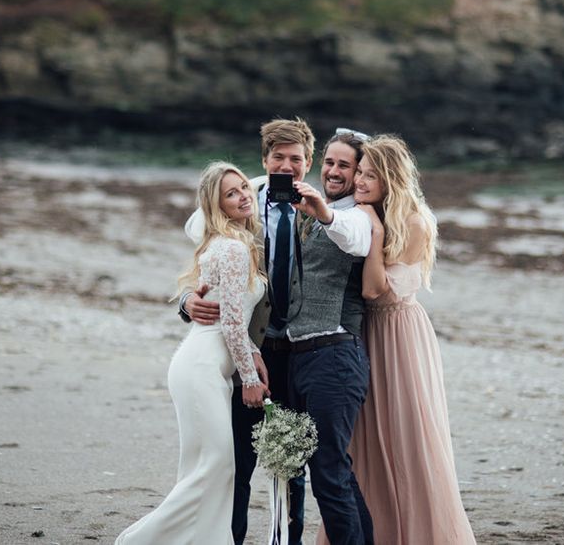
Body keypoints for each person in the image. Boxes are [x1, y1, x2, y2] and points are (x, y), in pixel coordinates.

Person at [115, 162, 269, 545]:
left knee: (208, 468)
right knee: (217, 464)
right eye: (230, 194)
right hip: (201, 366)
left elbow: (227, 311)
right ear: (216, 206)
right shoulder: (232, 248)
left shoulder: (230, 243)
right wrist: (249, 378)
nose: (242, 196)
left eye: (243, 188)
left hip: (204, 363)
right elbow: (230, 323)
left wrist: (251, 352)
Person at [181, 118, 315, 545]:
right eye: (278, 158)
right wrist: (187, 303)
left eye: (296, 159)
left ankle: (287, 541)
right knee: (238, 461)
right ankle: (231, 538)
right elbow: (203, 258)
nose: (287, 166)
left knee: (290, 459)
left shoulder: (323, 211)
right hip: (249, 351)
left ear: (308, 163)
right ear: (265, 161)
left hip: (298, 352)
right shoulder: (242, 202)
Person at [347, 134, 476, 545]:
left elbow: (375, 290)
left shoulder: (414, 223)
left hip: (399, 335)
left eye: (370, 175)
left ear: (389, 178)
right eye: (359, 173)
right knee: (365, 442)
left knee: (409, 437)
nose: (360, 182)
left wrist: (376, 233)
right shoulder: (362, 213)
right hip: (368, 333)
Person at [286, 129, 375, 545]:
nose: (334, 171)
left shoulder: (359, 216)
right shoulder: (302, 205)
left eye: (345, 165)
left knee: (329, 473)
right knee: (317, 470)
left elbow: (351, 238)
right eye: (329, 162)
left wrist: (323, 210)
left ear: (359, 174)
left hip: (335, 356)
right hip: (297, 356)